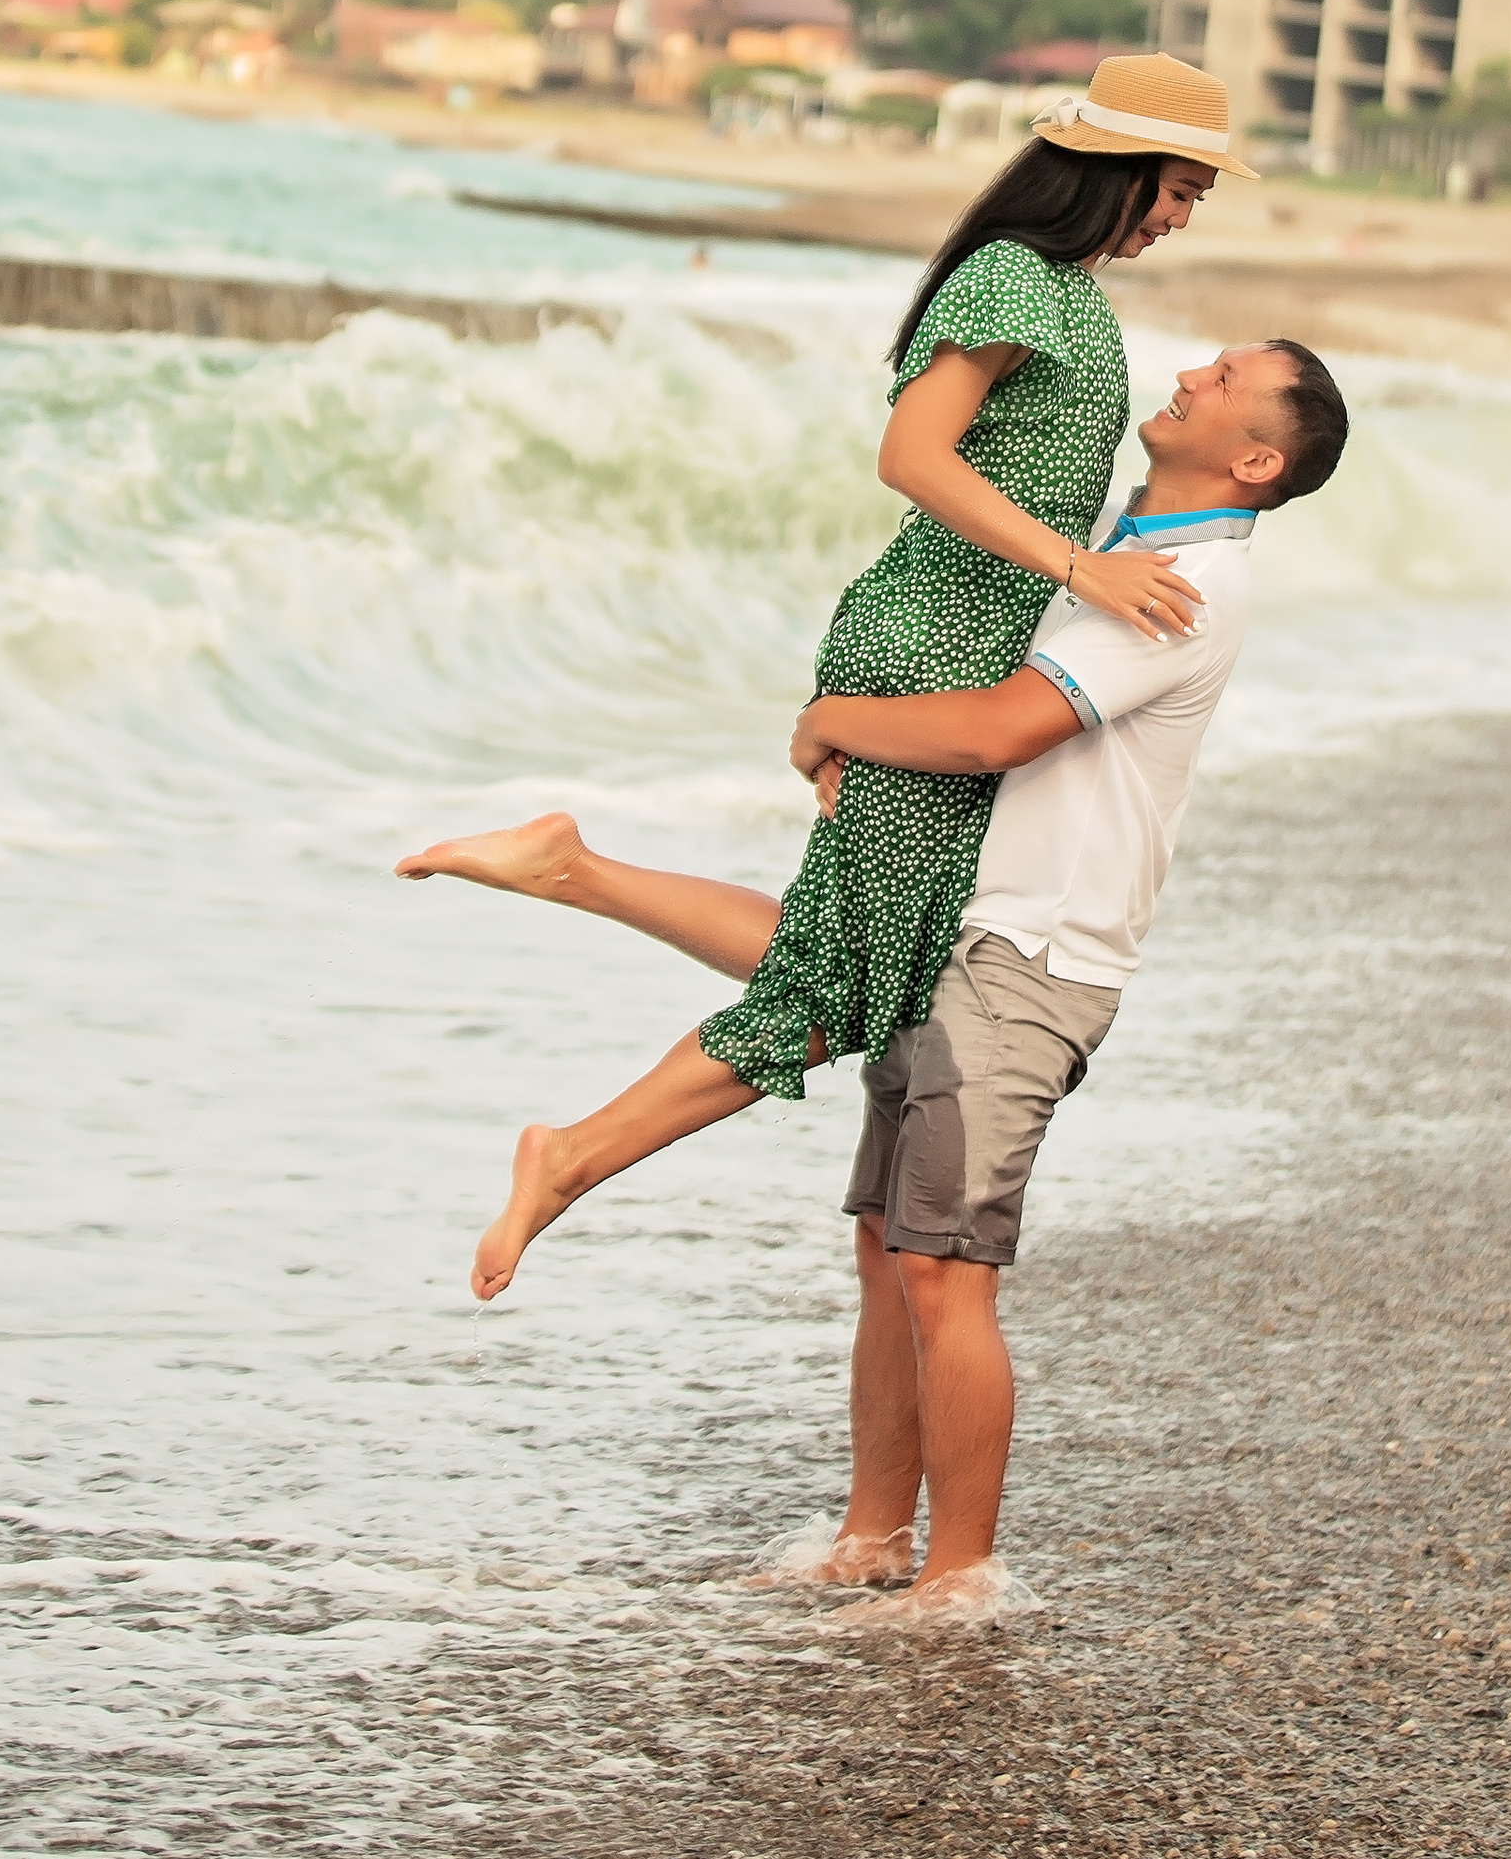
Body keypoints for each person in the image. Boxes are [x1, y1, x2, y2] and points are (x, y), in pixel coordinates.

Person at [410, 335, 1351, 1603]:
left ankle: (960, 1574)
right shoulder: (1127, 535)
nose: (1191, 371)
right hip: (968, 914)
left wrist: (832, 723)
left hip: (1034, 955)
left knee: (942, 1270)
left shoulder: (1183, 584)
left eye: (1227, 379)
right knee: (883, 1248)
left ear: (1253, 456)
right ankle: (870, 1537)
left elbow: (1001, 726)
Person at [403, 51, 1254, 1301]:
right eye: (1180, 188)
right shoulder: (1013, 279)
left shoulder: (1068, 291)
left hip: (961, 648)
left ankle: (569, 876)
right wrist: (1077, 572)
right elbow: (910, 455)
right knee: (843, 984)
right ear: (1120, 170)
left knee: (858, 962)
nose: (1183, 216)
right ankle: (569, 1152)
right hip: (926, 645)